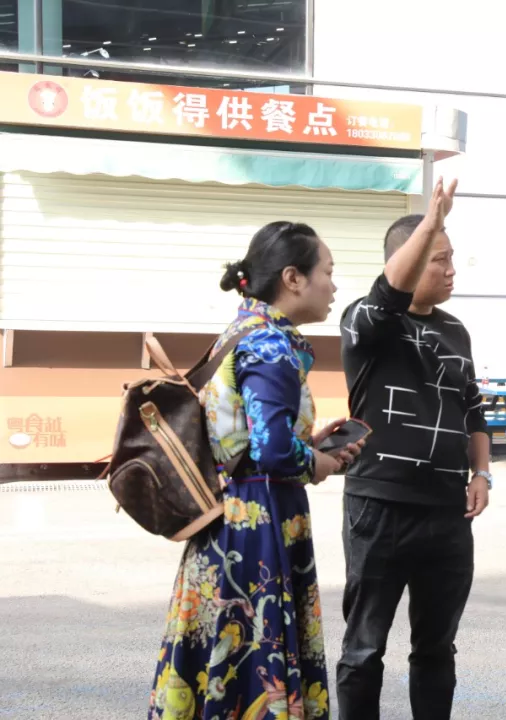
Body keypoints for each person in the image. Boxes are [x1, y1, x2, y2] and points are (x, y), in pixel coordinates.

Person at [148, 221, 365, 720]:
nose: (334, 286)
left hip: (228, 517)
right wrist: (316, 461)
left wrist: (307, 443)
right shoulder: (271, 344)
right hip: (258, 527)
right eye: (328, 272)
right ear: (293, 278)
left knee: (223, 651)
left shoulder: (240, 331)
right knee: (255, 646)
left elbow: (250, 439)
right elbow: (271, 452)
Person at [336, 177, 491, 719]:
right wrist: (431, 222)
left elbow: (473, 411)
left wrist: (481, 474)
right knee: (364, 648)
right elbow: (387, 295)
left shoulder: (456, 332)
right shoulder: (366, 322)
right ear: (407, 259)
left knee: (436, 648)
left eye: (451, 259)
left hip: (446, 514)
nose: (451, 270)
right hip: (379, 508)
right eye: (438, 260)